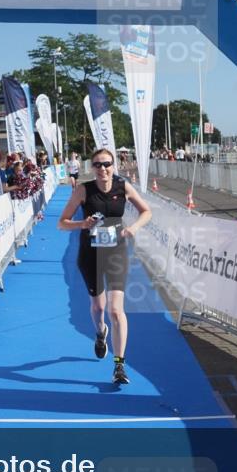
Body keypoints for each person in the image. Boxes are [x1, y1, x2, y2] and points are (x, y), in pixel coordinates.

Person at [57, 149, 152, 385]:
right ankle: (100, 333)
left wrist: (133, 228)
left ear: (113, 165)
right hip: (90, 254)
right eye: (98, 165)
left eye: (107, 164)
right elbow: (62, 223)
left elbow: (146, 211)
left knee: (116, 311)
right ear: (92, 167)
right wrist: (82, 223)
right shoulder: (83, 190)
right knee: (98, 307)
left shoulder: (122, 186)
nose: (103, 169)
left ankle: (119, 365)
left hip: (116, 252)